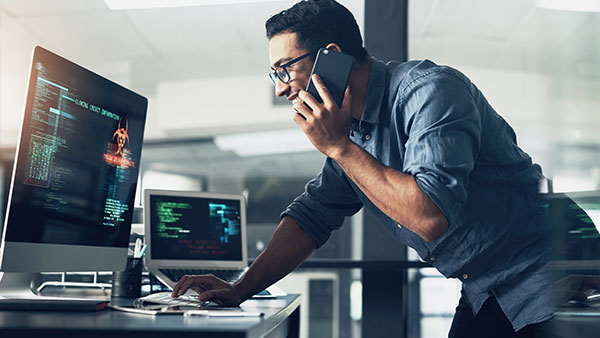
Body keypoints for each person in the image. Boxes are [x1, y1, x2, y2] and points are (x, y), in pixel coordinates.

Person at [172, 1, 590, 337]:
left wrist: (337, 146)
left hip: (554, 266)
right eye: (273, 73)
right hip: (489, 283)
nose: (280, 87)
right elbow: (312, 216)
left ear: (330, 58)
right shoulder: (352, 131)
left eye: (285, 69)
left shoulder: (430, 91)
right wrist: (240, 288)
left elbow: (429, 216)